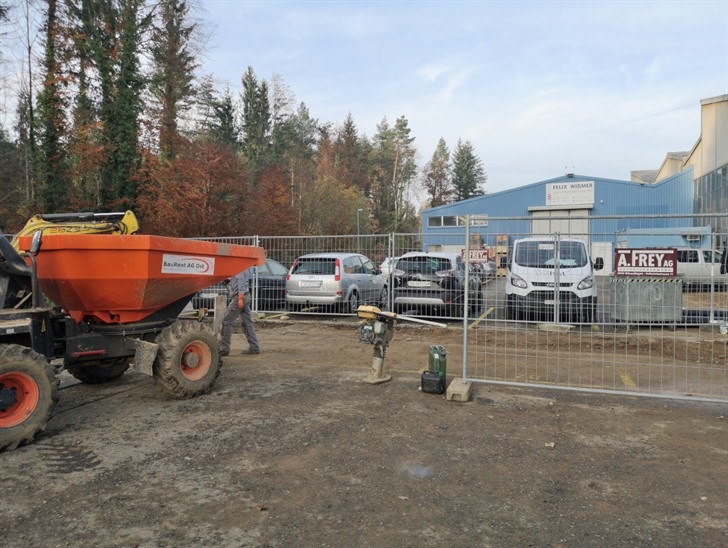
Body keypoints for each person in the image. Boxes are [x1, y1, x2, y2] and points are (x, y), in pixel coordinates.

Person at [220, 266, 260, 356]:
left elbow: (241, 280)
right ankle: (254, 347)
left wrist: (240, 298)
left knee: (226, 321)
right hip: (245, 295)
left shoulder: (239, 266)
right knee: (247, 322)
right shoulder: (245, 265)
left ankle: (224, 348)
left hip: (240, 297)